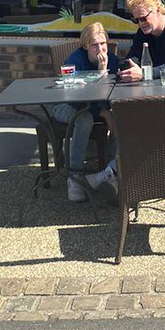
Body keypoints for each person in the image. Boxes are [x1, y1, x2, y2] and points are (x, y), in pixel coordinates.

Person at [87, 0, 165, 204]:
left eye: (144, 17)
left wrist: (143, 73)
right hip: (160, 93)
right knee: (124, 114)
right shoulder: (144, 33)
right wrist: (126, 66)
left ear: (159, 9)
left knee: (143, 120)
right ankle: (121, 177)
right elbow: (134, 55)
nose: (141, 23)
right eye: (136, 20)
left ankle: (122, 176)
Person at [52, 22, 119, 203]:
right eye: (95, 45)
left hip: (96, 108)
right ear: (86, 46)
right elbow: (74, 97)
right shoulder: (75, 61)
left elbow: (116, 91)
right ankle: (74, 178)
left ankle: (110, 173)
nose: (100, 49)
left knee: (121, 118)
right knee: (85, 119)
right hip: (67, 106)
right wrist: (102, 112)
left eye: (103, 44)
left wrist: (105, 71)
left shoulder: (112, 60)